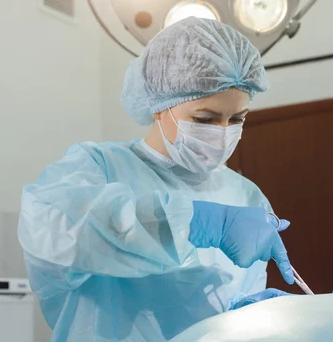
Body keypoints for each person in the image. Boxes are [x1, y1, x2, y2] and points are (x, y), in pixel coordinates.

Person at [18, 18, 294, 342]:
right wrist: (194, 222)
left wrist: (254, 314)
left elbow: (230, 302)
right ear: (159, 106)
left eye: (237, 119)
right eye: (205, 118)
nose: (222, 134)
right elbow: (52, 230)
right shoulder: (100, 167)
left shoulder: (245, 197)